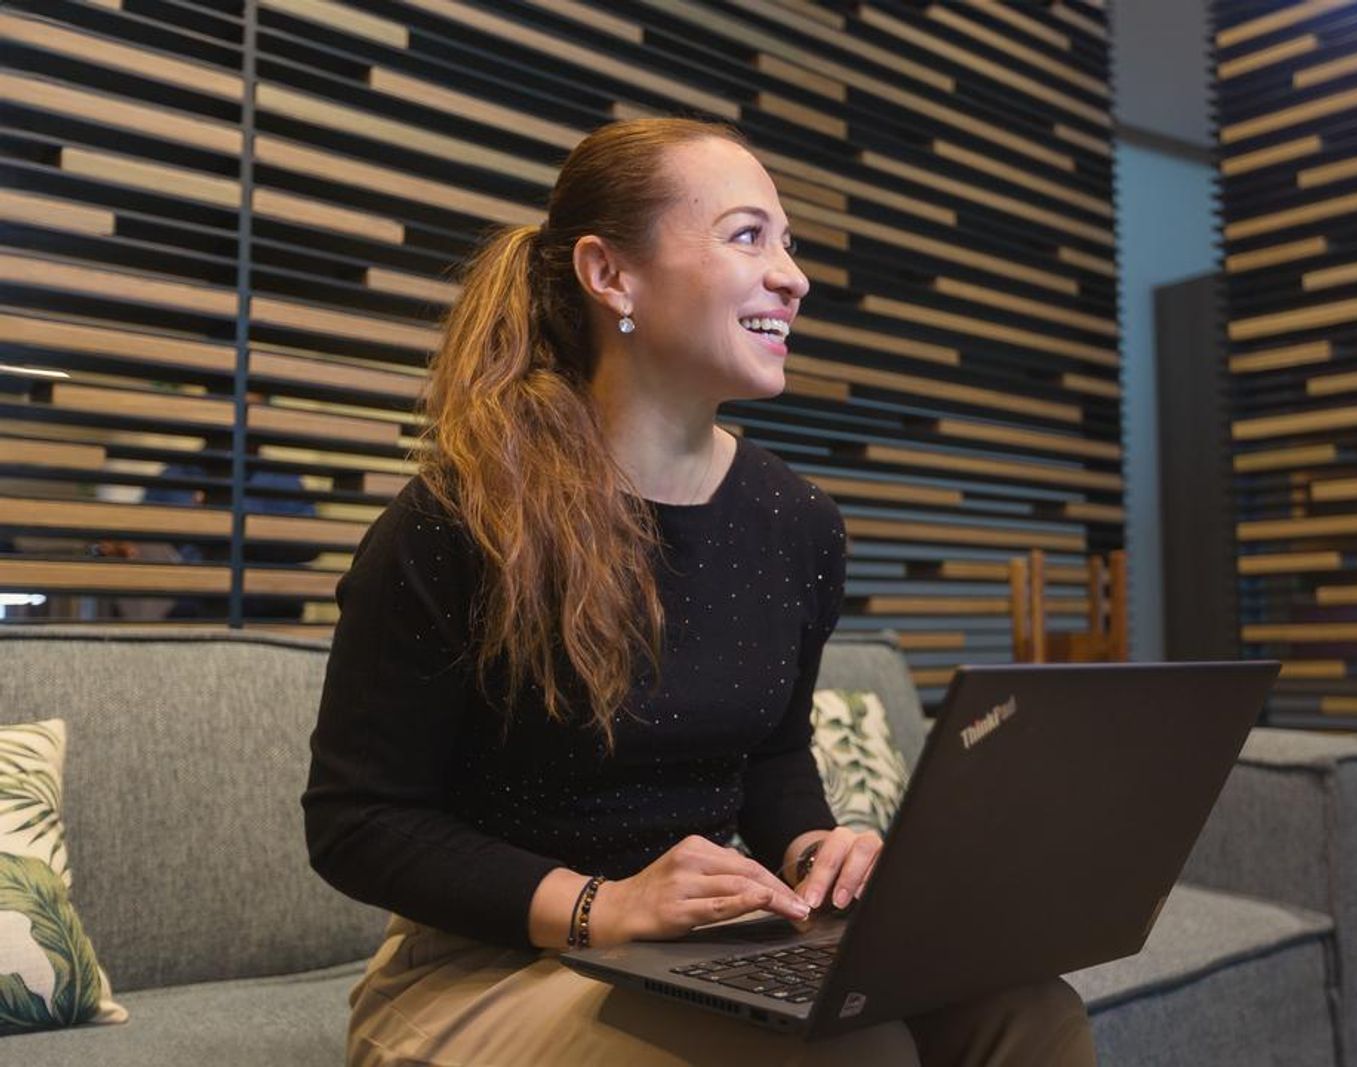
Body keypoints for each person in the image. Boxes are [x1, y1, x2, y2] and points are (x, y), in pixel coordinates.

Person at [302, 117, 1096, 1066]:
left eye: (788, 243)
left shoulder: (798, 522)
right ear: (611, 276)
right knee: (851, 1052)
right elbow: (360, 823)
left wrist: (812, 847)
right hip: (483, 972)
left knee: (1031, 1011)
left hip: (693, 952)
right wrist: (606, 905)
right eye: (747, 235)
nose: (793, 276)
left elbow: (770, 755)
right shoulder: (460, 517)